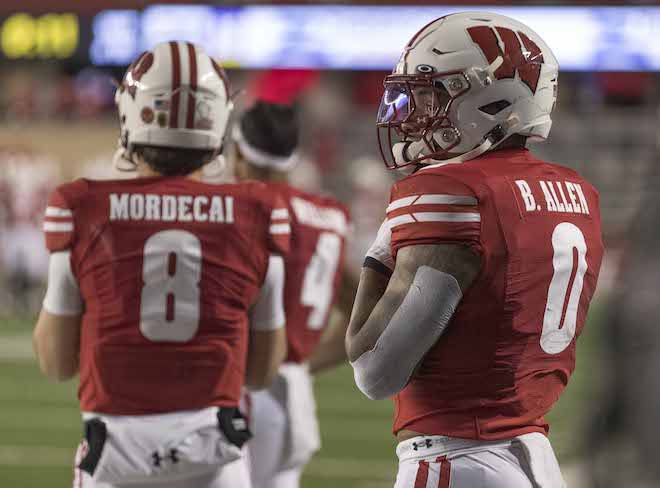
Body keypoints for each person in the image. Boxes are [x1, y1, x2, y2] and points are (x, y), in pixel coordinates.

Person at [346, 12, 604, 488]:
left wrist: (379, 252)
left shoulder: (450, 190)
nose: (411, 114)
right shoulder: (578, 193)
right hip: (535, 458)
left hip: (455, 459)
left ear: (489, 98)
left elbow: (375, 371)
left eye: (431, 95)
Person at [32, 41, 290, 488]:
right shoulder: (258, 212)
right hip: (216, 459)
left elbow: (56, 362)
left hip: (114, 456)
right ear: (218, 120)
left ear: (134, 112)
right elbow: (261, 371)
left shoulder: (82, 207)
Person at [230, 100, 353, 488]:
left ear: (237, 150)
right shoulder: (329, 214)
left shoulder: (248, 210)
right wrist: (302, 365)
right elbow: (365, 312)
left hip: (249, 391)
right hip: (296, 396)